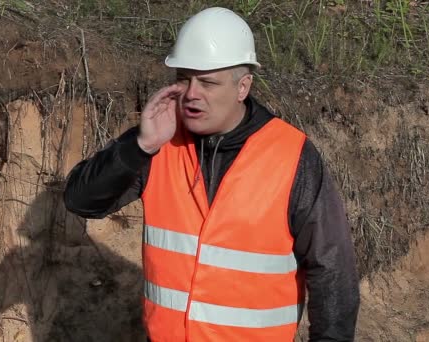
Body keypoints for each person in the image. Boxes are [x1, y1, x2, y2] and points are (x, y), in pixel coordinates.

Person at [63, 7, 359, 342]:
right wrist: (140, 145)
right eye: (184, 79)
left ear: (242, 87)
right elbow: (81, 201)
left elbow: (332, 268)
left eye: (207, 82)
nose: (191, 93)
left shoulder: (292, 155)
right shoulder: (159, 141)